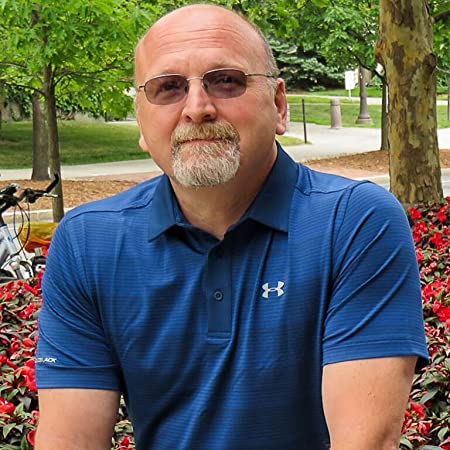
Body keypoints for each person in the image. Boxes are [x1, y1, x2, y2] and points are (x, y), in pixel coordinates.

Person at [35, 4, 428, 450]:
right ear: (141, 123)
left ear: (278, 105)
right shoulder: (87, 242)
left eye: (226, 81)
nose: (197, 108)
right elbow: (69, 441)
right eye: (168, 88)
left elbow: (365, 442)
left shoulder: (355, 222)